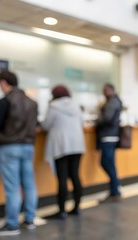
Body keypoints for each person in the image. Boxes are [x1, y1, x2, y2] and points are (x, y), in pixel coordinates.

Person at [0, 70, 38, 236]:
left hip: (9, 146)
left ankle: (12, 224)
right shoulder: (32, 103)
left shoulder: (5, 101)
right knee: (29, 184)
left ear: (4, 82)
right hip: (28, 147)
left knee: (12, 187)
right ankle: (30, 219)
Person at [41, 85, 85, 219]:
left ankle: (61, 210)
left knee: (62, 178)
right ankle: (77, 207)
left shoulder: (53, 106)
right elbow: (82, 122)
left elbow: (45, 125)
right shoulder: (76, 105)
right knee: (75, 175)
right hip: (77, 144)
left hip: (61, 145)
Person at [96, 83, 123, 203]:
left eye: (106, 90)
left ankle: (115, 190)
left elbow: (107, 118)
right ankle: (115, 188)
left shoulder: (112, 102)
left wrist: (97, 120)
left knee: (106, 163)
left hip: (108, 136)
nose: (104, 92)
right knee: (109, 163)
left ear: (112, 90)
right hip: (110, 136)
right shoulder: (113, 101)